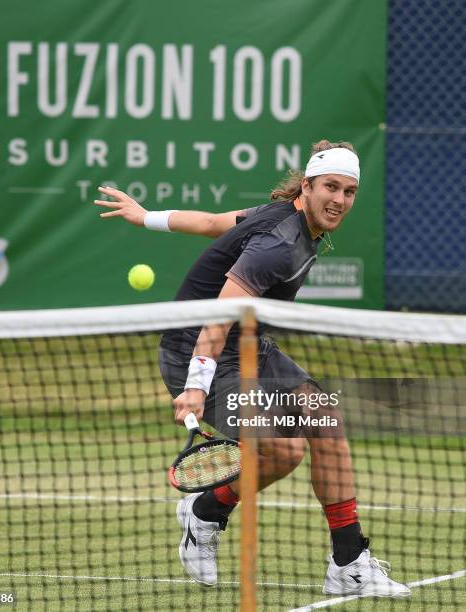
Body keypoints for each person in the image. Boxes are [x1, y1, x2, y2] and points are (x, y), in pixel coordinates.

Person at [94, 140, 411, 599]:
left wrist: (146, 216)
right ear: (307, 186)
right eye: (330, 187)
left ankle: (348, 562)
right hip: (197, 350)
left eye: (349, 191)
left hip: (249, 346)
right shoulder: (277, 243)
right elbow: (220, 315)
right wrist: (197, 386)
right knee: (284, 452)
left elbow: (210, 223)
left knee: (325, 419)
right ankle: (206, 511)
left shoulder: (284, 217)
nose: (339, 200)